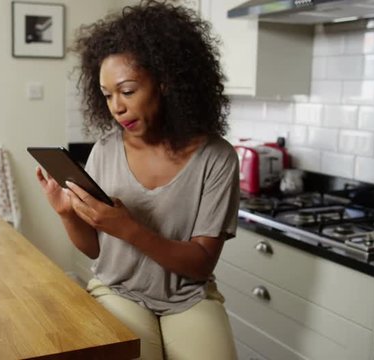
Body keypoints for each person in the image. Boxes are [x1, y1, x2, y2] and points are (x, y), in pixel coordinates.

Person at [35, 1, 239, 359]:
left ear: (165, 83)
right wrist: (67, 213)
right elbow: (96, 249)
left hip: (188, 296)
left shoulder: (216, 157)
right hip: (118, 290)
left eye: (127, 91)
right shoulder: (104, 151)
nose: (117, 107)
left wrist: (129, 229)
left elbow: (201, 263)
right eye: (108, 95)